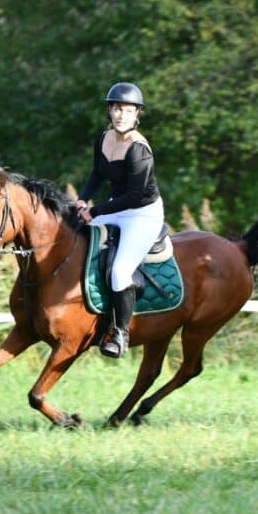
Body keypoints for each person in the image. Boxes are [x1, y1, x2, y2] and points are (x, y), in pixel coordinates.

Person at [76, 82, 163, 357]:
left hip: (142, 214)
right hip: (115, 208)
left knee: (120, 271)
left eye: (127, 110)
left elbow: (135, 197)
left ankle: (120, 334)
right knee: (73, 236)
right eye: (116, 108)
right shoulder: (104, 138)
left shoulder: (139, 150)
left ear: (137, 114)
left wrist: (96, 211)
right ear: (109, 111)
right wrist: (82, 199)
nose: (120, 115)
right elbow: (97, 174)